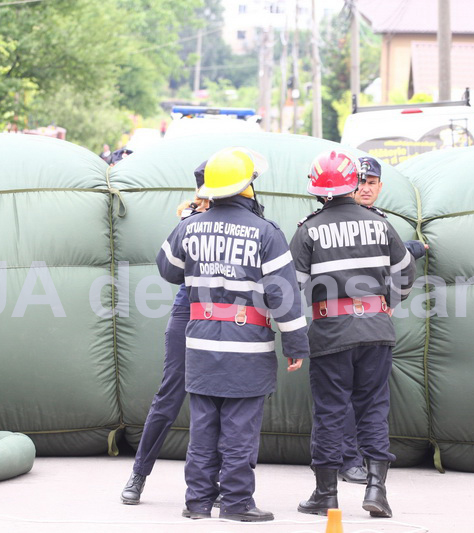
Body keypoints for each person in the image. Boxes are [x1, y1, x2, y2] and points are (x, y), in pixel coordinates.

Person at [156, 147, 309, 522]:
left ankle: (197, 502)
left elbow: (168, 268)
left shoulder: (191, 226)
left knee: (203, 427)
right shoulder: (266, 232)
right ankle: (237, 502)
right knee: (239, 429)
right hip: (247, 348)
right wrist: (295, 343)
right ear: (247, 187)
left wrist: (190, 223)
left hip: (200, 345)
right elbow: (283, 294)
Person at [290, 150, 416, 518]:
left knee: (330, 411)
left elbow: (289, 287)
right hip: (377, 330)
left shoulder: (309, 229)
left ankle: (326, 494)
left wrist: (291, 334)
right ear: (352, 184)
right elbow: (406, 272)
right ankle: (377, 490)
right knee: (373, 407)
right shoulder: (380, 224)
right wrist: (387, 302)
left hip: (330, 333)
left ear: (318, 189)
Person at [121, 161, 209, 505]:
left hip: (227, 311)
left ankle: (217, 483)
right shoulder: (190, 220)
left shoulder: (244, 215)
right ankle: (138, 474)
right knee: (169, 395)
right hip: (190, 306)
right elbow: (171, 269)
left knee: (221, 399)